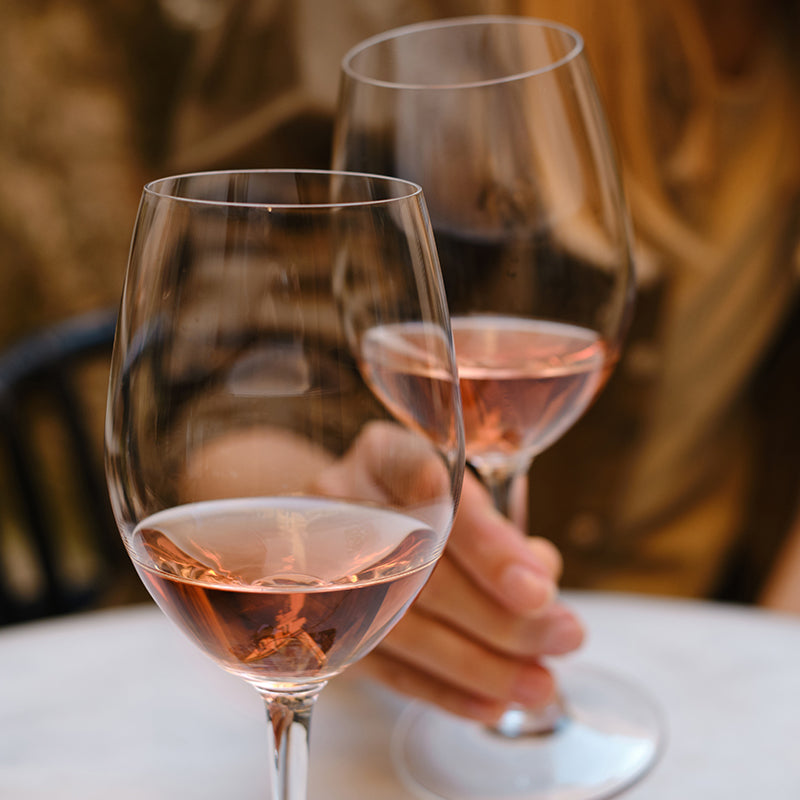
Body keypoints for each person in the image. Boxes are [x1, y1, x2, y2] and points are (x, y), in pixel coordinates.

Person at [1, 0, 797, 722]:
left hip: (710, 655)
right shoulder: (356, 14)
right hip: (361, 716)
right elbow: (237, 369)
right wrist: (318, 523)